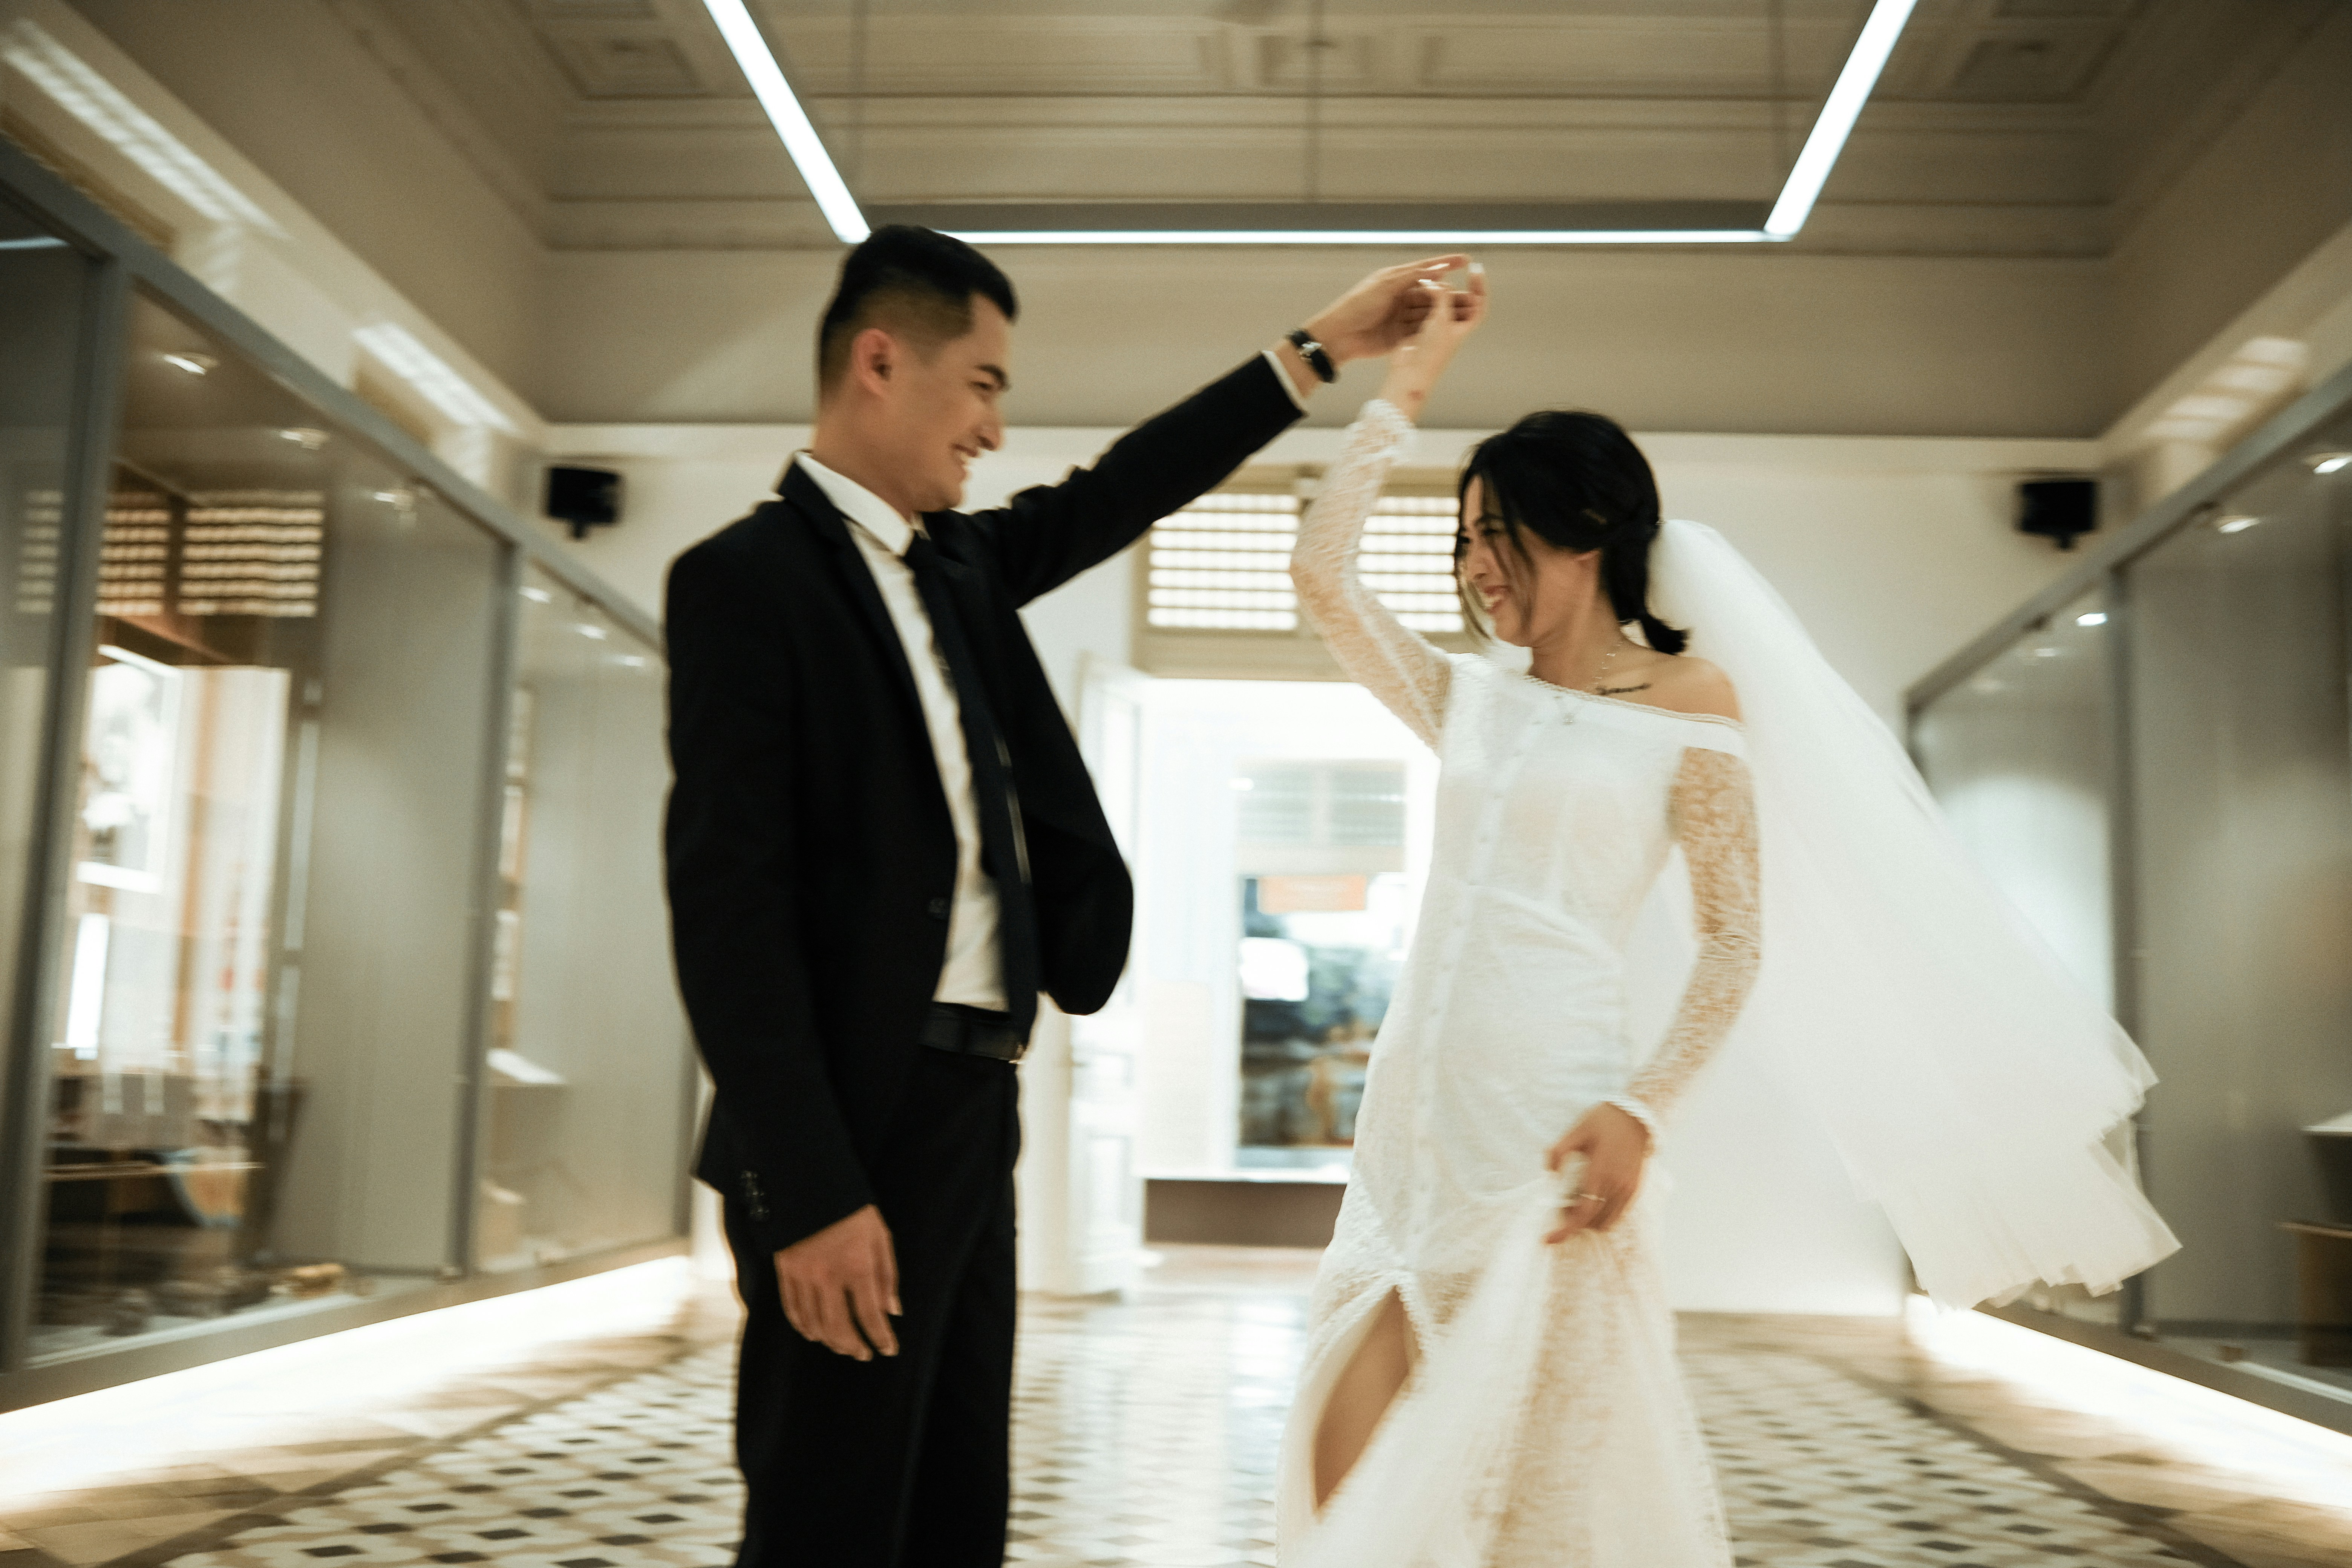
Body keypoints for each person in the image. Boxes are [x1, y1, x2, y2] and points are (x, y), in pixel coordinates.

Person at [1276, 271, 2179, 1567]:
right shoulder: (1468, 700)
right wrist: (1407, 385)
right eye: (1464, 540)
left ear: (1586, 531)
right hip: (1409, 1139)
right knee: (1340, 1468)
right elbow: (1321, 576)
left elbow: (1734, 940)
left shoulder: (1693, 708)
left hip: (1554, 1137)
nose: (1475, 567)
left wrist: (1642, 1109)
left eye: (1500, 535)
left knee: (1532, 1505)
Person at [661, 224, 1467, 1568]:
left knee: (955, 1499)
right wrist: (807, 1191)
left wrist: (1325, 346)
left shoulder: (963, 570)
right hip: (847, 1119)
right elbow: (726, 914)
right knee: (831, 1510)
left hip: (977, 1102)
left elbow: (1125, 487)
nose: (991, 425)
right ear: (879, 361)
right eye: (981, 383)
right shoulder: (746, 586)